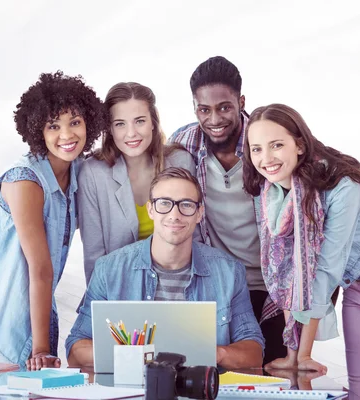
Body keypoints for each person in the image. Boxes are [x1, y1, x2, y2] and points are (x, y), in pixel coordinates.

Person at [243, 103, 360, 399]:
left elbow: (327, 268)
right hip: (357, 286)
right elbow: (286, 274)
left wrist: (303, 356)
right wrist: (293, 357)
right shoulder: (272, 193)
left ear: (299, 145)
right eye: (256, 149)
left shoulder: (341, 185)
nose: (266, 159)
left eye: (276, 145)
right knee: (358, 392)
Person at [0, 71, 105, 371]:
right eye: (53, 126)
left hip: (34, 301)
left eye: (75, 122)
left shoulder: (78, 173)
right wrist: (42, 348)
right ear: (37, 131)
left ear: (89, 123)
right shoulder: (25, 181)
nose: (67, 135)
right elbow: (41, 268)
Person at [66, 167, 264, 370]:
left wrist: (214, 352)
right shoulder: (109, 270)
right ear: (151, 210)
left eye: (186, 205)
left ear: (199, 213)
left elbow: (254, 353)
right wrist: (131, 355)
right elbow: (75, 349)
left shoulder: (229, 273)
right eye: (164, 204)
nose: (174, 215)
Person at [168, 56, 286, 365]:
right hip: (219, 283)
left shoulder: (263, 143)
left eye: (224, 107)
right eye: (204, 110)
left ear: (241, 101)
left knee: (271, 370)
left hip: (271, 282)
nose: (214, 119)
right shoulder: (183, 143)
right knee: (213, 371)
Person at [78, 82, 197, 286]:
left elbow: (196, 236)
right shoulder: (93, 173)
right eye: (120, 124)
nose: (131, 133)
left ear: (153, 121)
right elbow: (94, 255)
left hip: (178, 283)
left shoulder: (181, 161)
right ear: (110, 129)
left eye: (139, 121)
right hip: (120, 285)